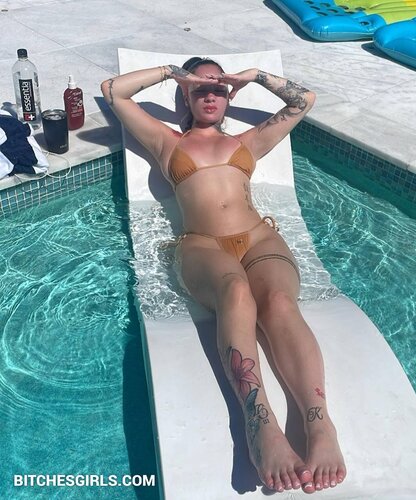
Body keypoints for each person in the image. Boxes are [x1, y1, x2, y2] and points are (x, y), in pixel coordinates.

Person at [101, 57, 346, 494]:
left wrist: (252, 76)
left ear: (229, 95)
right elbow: (113, 91)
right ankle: (260, 423)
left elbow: (303, 100)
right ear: (186, 94)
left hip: (259, 237)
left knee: (279, 303)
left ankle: (319, 423)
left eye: (218, 88)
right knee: (235, 291)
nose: (210, 95)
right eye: (200, 88)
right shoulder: (167, 142)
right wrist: (173, 73)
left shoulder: (248, 141)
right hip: (202, 246)